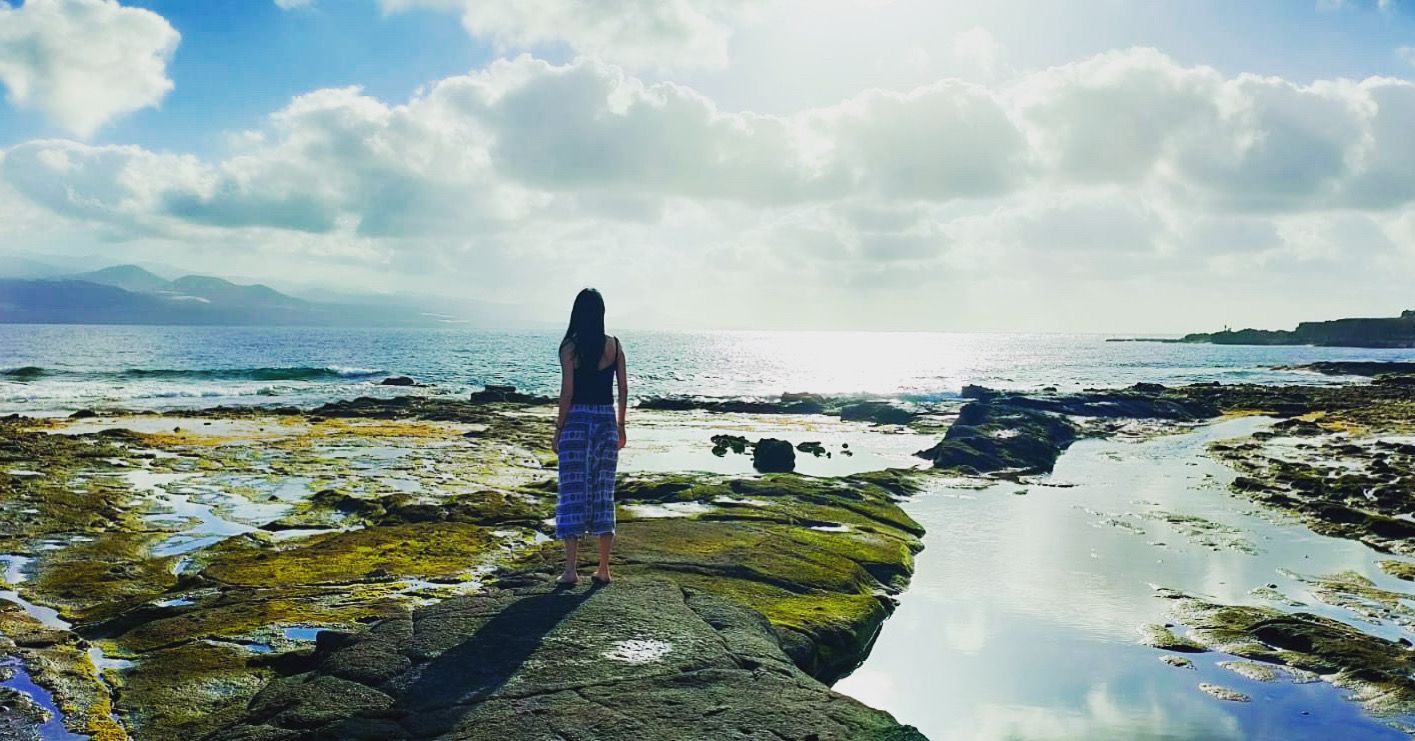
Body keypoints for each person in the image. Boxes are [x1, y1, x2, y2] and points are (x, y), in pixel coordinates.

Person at [552, 288, 628, 586]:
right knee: (603, 490)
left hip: (577, 422)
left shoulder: (570, 347)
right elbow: (623, 390)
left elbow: (567, 392)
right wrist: (621, 425)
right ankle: (603, 568)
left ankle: (571, 570)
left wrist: (558, 428)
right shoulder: (615, 346)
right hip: (606, 420)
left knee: (572, 489)